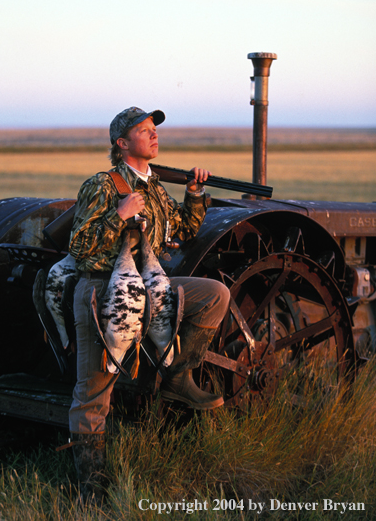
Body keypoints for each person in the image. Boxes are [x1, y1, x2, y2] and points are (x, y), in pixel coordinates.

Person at [67, 106, 231, 502]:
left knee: (214, 295)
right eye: (144, 130)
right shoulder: (103, 185)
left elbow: (184, 232)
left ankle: (177, 380)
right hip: (105, 293)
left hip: (151, 288)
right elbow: (79, 247)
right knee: (93, 393)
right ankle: (92, 491)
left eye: (154, 129)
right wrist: (119, 216)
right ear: (122, 143)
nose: (153, 134)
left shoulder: (156, 188)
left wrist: (194, 195)